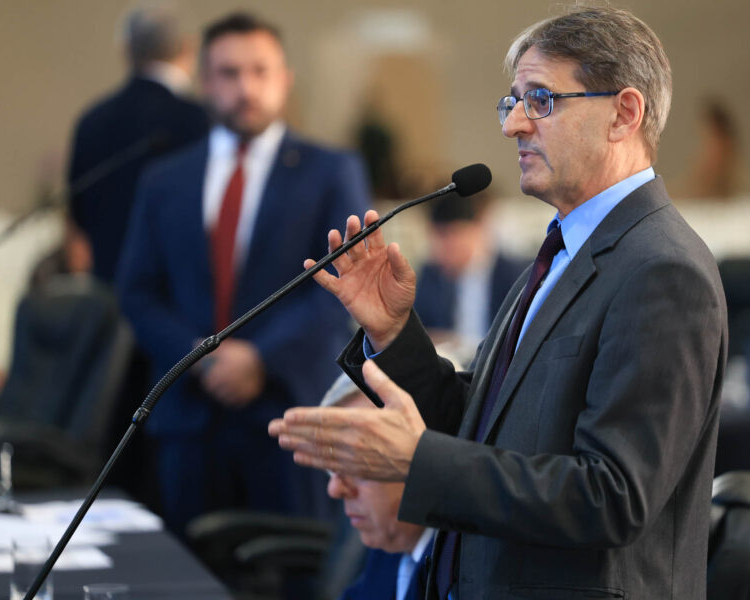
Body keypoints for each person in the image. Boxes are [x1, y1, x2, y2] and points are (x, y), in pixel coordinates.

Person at [270, 7, 726, 599]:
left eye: (541, 100)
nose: (513, 125)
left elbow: (613, 496)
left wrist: (420, 462)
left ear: (624, 113)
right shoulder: (564, 249)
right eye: (512, 103)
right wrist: (394, 333)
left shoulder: (663, 270)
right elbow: (487, 423)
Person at [117, 12, 370, 535]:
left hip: (288, 413)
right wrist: (200, 357)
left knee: (294, 569)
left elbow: (340, 289)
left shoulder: (329, 171)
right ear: (205, 81)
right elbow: (137, 292)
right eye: (229, 73)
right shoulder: (164, 178)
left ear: (285, 79)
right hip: (187, 416)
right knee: (186, 571)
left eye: (260, 71)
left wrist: (257, 357)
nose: (246, 88)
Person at [68, 4, 209, 284]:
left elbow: (77, 218)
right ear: (188, 47)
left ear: (126, 50)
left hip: (108, 287)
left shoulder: (92, 120)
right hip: (179, 294)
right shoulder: (202, 121)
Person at [320, 374, 437, 600]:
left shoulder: (465, 572)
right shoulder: (391, 545)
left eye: (357, 459)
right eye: (333, 468)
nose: (335, 489)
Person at [414, 193, 528, 345]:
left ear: (475, 230)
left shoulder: (513, 275)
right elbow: (420, 328)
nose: (442, 247)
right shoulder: (431, 274)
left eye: (451, 235)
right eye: (437, 237)